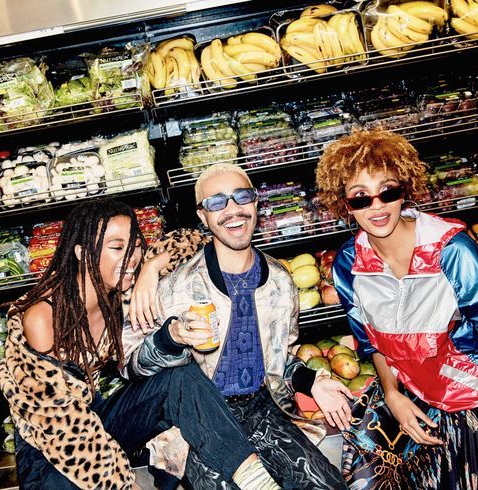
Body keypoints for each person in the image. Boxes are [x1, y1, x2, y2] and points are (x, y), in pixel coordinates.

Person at [315, 129, 478, 488]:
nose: (377, 207)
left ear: (404, 190)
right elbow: (373, 342)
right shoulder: (349, 264)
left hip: (477, 404)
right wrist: (392, 394)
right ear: (344, 204)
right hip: (411, 408)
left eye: (388, 191)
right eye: (360, 198)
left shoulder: (451, 250)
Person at [0, 200, 281, 490]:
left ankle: (255, 479)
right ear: (82, 254)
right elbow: (64, 431)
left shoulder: (115, 290)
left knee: (179, 378)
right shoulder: (42, 318)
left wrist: (151, 267)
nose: (131, 256)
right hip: (50, 449)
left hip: (95, 419)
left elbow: (198, 240)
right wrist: (123, 484)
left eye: (134, 245)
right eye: (117, 247)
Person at [122, 163, 351, 489]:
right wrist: (170, 338)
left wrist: (312, 381)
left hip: (265, 411)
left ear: (256, 204)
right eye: (217, 202)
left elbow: (280, 357)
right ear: (202, 216)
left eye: (242, 197)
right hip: (199, 424)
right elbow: (130, 367)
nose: (232, 209)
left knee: (327, 484)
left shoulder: (281, 281)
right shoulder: (173, 286)